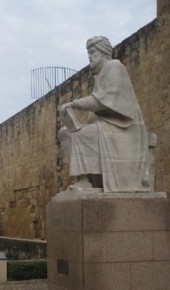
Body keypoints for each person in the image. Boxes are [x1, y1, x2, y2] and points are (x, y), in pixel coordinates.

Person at [58, 36, 150, 193]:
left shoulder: (114, 67)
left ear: (103, 53)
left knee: (82, 134)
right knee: (65, 133)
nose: (89, 56)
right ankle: (83, 178)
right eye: (88, 53)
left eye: (92, 52)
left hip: (123, 128)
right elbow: (97, 109)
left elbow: (102, 100)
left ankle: (85, 181)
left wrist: (74, 104)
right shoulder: (99, 75)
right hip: (108, 126)